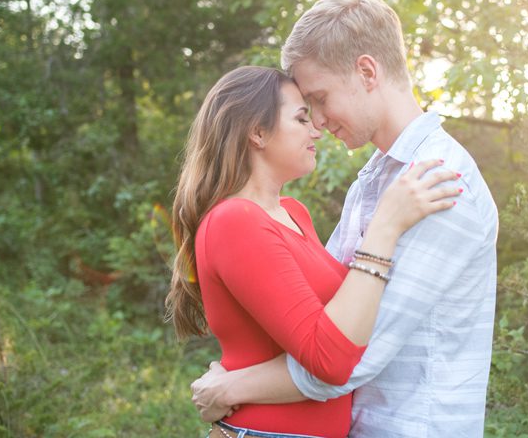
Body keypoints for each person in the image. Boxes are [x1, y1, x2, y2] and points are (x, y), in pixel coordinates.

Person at [191, 0, 499, 437]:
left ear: (367, 72)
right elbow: (330, 319)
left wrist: (231, 387)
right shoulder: (375, 180)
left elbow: (350, 356)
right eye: (305, 109)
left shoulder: (439, 181)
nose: (316, 120)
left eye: (319, 97)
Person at [165, 65, 461, 438]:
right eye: (302, 118)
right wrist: (385, 227)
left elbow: (343, 321)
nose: (316, 130)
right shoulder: (234, 221)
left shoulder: (293, 213)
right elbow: (330, 359)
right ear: (257, 132)